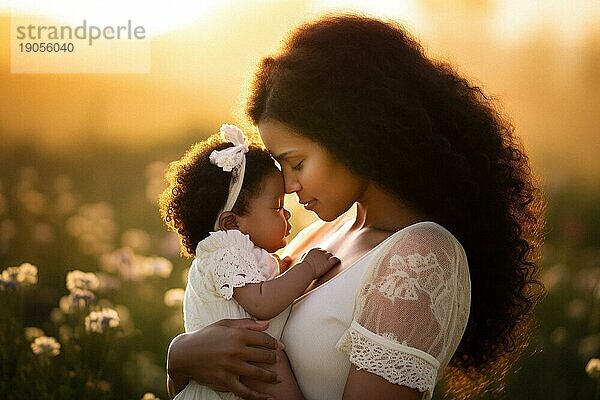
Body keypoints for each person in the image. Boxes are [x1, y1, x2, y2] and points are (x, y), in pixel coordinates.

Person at [166, 14, 545, 400]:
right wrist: (180, 355)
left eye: (296, 163)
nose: (289, 185)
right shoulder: (320, 234)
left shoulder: (420, 256)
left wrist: (272, 376)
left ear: (353, 137)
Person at [159, 124, 341, 400]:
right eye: (277, 207)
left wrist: (281, 267)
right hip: (232, 378)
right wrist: (307, 269)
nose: (287, 216)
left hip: (241, 365)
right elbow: (262, 302)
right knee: (270, 361)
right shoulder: (223, 250)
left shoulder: (238, 251)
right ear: (232, 223)